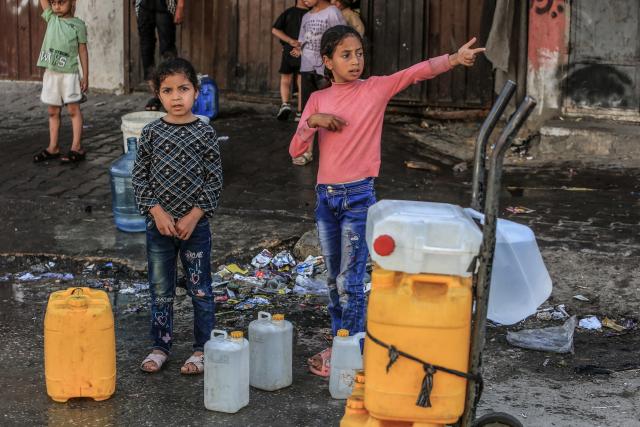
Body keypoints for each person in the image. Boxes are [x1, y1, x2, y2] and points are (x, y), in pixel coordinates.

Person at [289, 26, 484, 376]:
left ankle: (347, 345)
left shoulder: (376, 88)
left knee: (350, 280)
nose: (355, 61)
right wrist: (312, 122)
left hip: (359, 198)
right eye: (346, 55)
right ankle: (346, 342)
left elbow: (415, 72)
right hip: (326, 199)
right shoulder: (317, 100)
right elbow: (296, 150)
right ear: (327, 62)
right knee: (333, 279)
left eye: (359, 53)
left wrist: (454, 59)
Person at [132, 57, 223, 375]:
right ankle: (160, 345)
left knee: (200, 289)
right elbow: (140, 179)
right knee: (161, 290)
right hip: (159, 227)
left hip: (194, 229)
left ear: (196, 92)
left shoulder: (205, 134)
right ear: (157, 94)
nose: (176, 97)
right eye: (167, 90)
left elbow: (214, 181)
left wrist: (194, 215)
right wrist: (156, 212)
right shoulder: (151, 133)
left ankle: (202, 349)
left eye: (183, 89)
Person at [289, 0, 345, 165]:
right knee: (308, 112)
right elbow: (302, 40)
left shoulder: (333, 12)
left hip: (326, 71)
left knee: (332, 110)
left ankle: (337, 152)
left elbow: (342, 38)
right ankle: (307, 151)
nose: (303, 0)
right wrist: (298, 49)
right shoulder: (306, 16)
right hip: (307, 68)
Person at [33, 0, 88, 164]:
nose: (56, 6)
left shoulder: (78, 25)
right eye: (54, 3)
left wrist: (86, 75)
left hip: (69, 75)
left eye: (61, 2)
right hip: (51, 74)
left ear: (72, 2)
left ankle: (76, 147)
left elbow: (83, 51)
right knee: (53, 112)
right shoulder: (52, 18)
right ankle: (53, 147)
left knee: (73, 110)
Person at [135, 0, 185, 111]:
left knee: (167, 49)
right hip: (143, 5)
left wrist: (180, 5)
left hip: (166, 4)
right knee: (146, 48)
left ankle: (172, 95)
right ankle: (157, 96)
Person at [272, 0, 308, 121]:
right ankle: (300, 112)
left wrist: (289, 41)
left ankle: (285, 104)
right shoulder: (311, 14)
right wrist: (296, 44)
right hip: (304, 51)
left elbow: (275, 30)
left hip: (289, 50)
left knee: (285, 79)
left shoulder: (288, 13)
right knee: (300, 81)